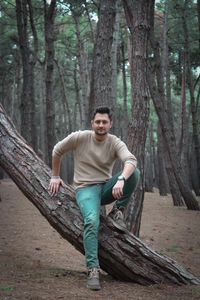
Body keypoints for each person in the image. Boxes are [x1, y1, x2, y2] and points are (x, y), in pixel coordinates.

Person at [49, 106, 140, 291]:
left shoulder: (114, 142)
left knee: (134, 173)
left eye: (104, 122)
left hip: (106, 187)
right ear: (92, 123)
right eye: (97, 122)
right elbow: (57, 150)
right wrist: (55, 176)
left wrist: (121, 179)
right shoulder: (79, 137)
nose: (100, 125)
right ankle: (92, 269)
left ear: (110, 124)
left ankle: (118, 211)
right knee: (91, 220)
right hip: (85, 189)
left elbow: (130, 160)